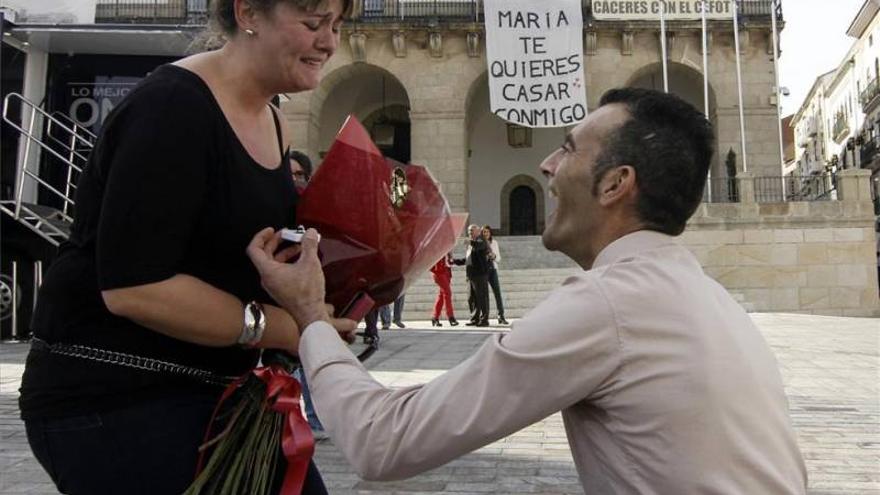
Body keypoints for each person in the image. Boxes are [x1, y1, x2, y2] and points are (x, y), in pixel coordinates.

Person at [247, 87, 808, 493]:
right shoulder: (702, 295)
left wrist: (310, 321)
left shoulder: (608, 304)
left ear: (615, 184)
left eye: (566, 148)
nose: (545, 163)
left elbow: (383, 441)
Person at [17, 0, 353, 493]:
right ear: (248, 14)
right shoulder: (174, 106)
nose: (329, 42)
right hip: (116, 396)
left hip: (215, 392)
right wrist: (280, 326)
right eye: (312, 23)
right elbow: (134, 287)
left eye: (338, 25)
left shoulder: (275, 122)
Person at [482, 225, 508, 325]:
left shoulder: (494, 243)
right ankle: (485, 318)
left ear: (490, 233)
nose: (486, 234)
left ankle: (501, 316)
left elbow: (499, 259)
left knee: (497, 293)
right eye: (484, 232)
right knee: (485, 296)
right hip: (483, 271)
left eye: (487, 232)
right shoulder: (479, 243)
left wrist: (494, 256)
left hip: (493, 269)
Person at [429, 253, 459, 327]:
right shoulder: (438, 247)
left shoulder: (447, 247)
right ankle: (450, 316)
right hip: (439, 272)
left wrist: (451, 257)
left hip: (446, 271)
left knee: (442, 295)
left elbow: (449, 260)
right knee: (447, 293)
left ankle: (435, 317)